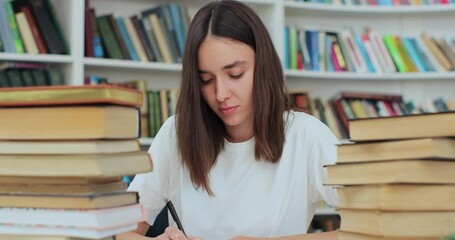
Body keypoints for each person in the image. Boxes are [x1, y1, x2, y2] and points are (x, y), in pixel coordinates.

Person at [118, 1, 339, 239]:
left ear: (263, 65)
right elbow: (117, 231)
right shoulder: (176, 133)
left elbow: (374, 226)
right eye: (206, 80)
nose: (221, 94)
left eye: (235, 75)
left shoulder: (306, 135)